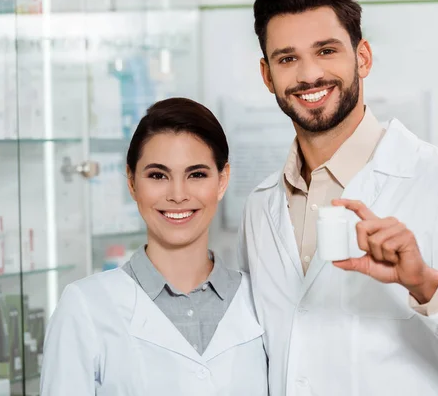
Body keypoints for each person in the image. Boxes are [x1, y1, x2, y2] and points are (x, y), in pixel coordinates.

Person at [237, 0, 438, 394]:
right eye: (287, 58)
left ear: (362, 58)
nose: (309, 74)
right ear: (267, 75)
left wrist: (427, 286)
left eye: (326, 51)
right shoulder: (261, 207)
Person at [40, 98, 268, 396]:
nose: (177, 194)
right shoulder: (85, 307)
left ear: (222, 180)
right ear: (132, 182)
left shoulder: (260, 299)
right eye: (158, 175)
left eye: (196, 174)